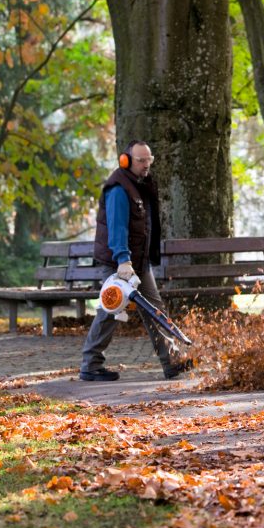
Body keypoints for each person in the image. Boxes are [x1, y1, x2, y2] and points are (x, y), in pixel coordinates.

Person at [80, 140, 192, 381]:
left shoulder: (141, 185)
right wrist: (123, 261)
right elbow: (117, 227)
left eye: (148, 160)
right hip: (118, 263)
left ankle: (171, 360)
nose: (146, 165)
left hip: (139, 263)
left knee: (155, 310)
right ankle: (91, 364)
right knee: (111, 309)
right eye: (141, 160)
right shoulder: (119, 188)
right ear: (126, 161)